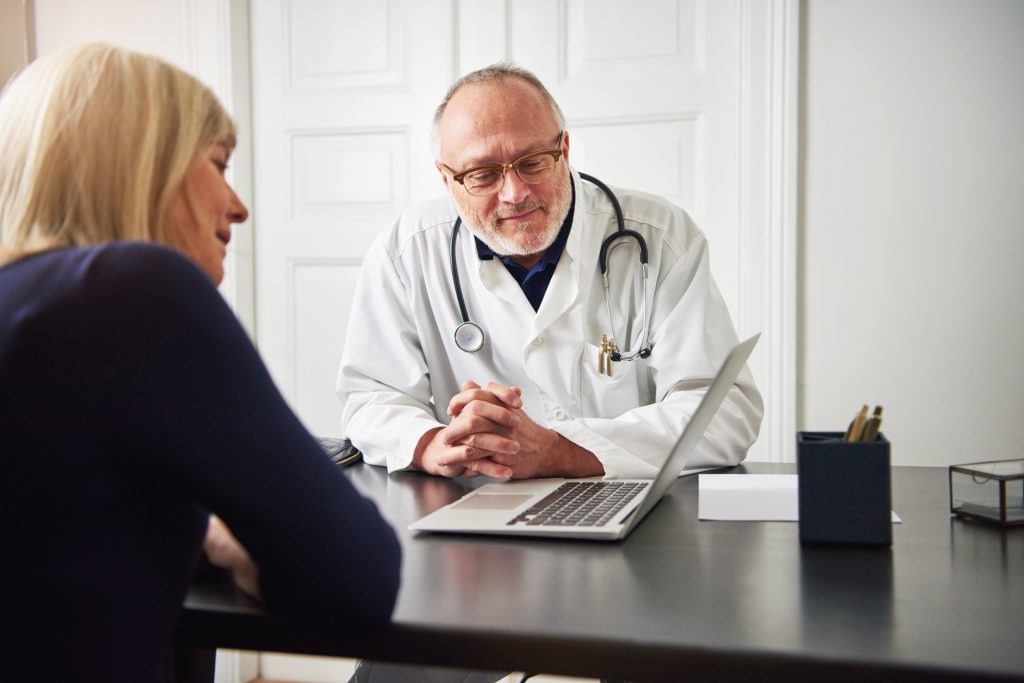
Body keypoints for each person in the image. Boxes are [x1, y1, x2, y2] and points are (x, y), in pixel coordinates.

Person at [0, 43, 400, 683]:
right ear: (141, 163)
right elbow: (358, 579)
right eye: (218, 163)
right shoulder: (131, 290)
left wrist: (204, 537)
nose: (238, 205)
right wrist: (225, 541)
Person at [337, 63, 763, 481]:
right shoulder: (406, 252)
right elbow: (370, 398)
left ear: (564, 150)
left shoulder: (662, 237)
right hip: (475, 515)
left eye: (533, 162)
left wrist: (561, 451)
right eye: (483, 175)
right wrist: (433, 443)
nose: (515, 193)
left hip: (624, 506)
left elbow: (724, 412)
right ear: (447, 180)